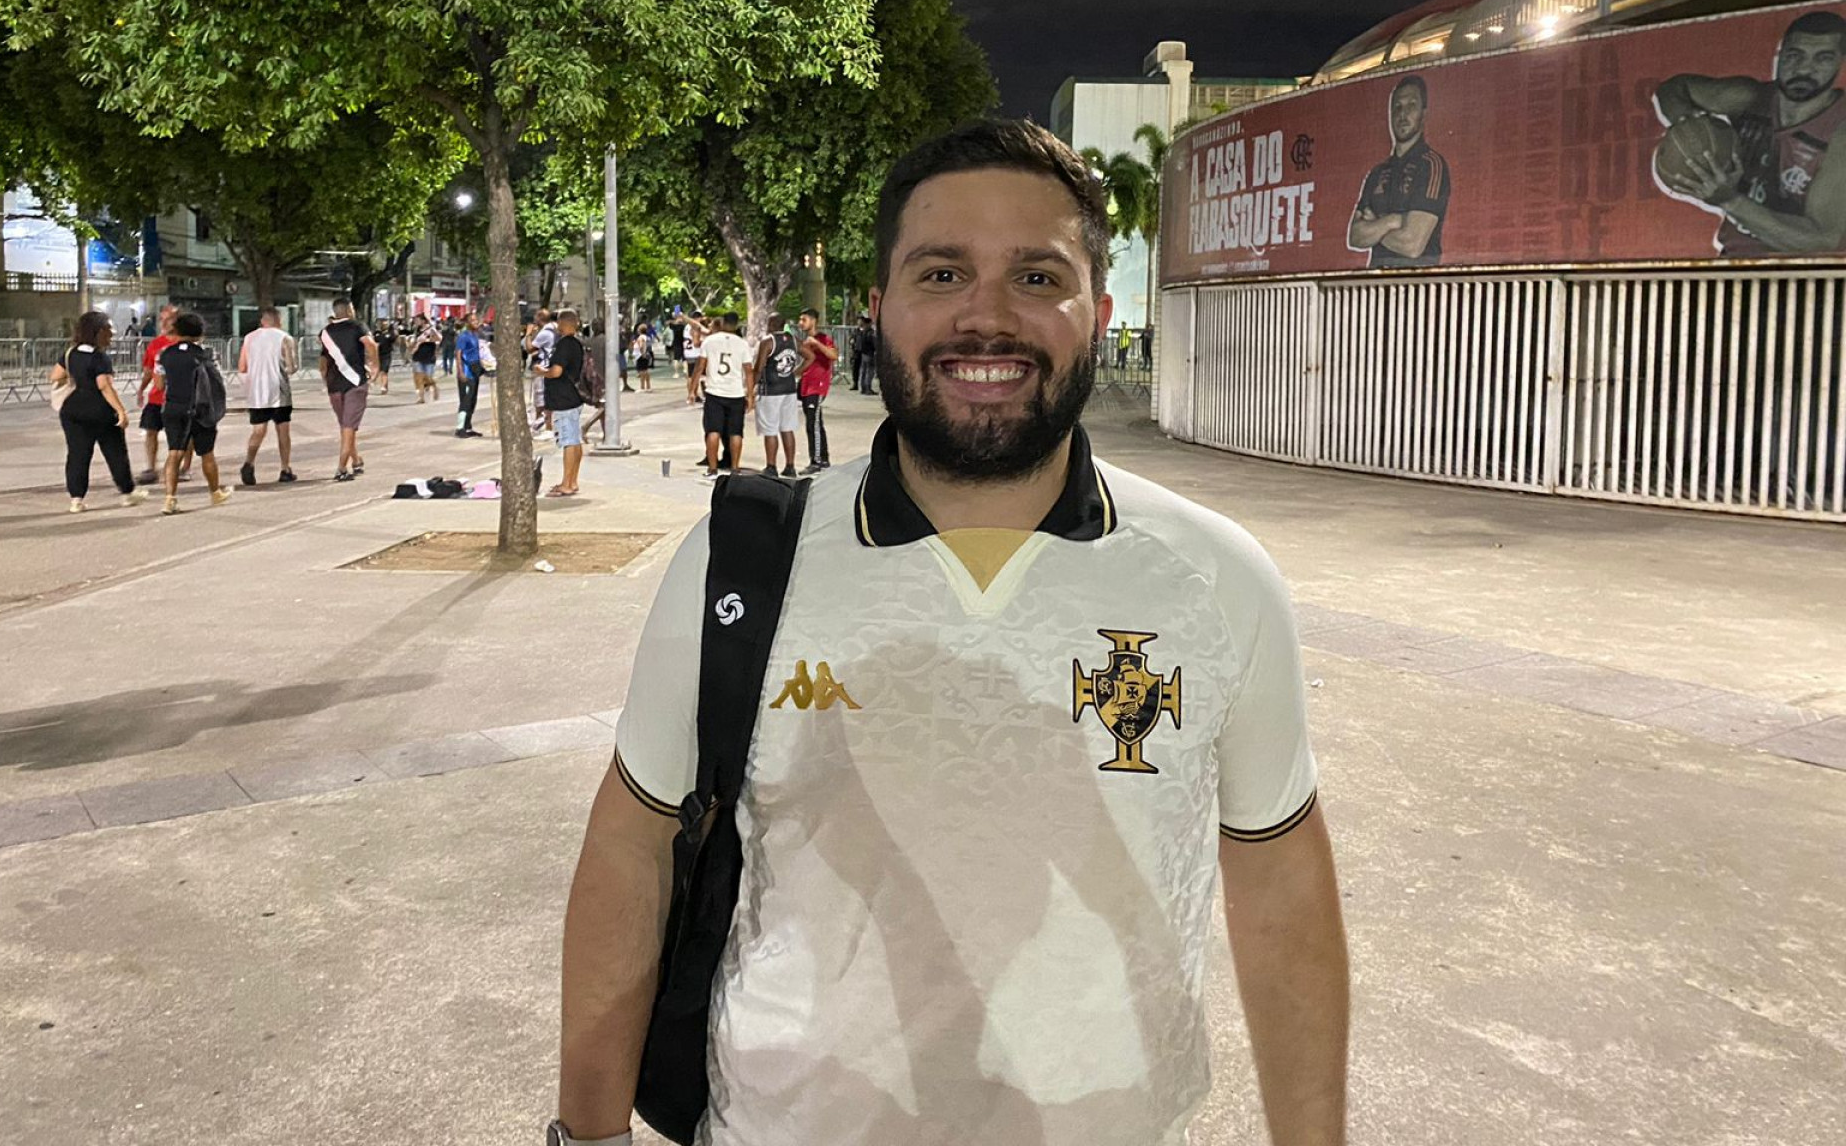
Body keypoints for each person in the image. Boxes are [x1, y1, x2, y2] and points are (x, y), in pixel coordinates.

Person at [555, 118, 1347, 1146]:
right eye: (941, 273)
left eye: (1035, 277)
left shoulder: (1217, 579)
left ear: (1097, 313)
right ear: (879, 310)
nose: (987, 317)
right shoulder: (744, 565)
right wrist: (588, 1131)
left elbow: (1281, 887)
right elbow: (633, 844)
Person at [1654, 9, 1846, 256]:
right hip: (1735, 265)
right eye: (1794, 55)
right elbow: (1675, 88)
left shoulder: (1839, 133)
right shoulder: (1749, 98)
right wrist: (1687, 124)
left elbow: (1822, 240)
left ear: (1840, 61)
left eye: (1823, 58)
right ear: (1780, 55)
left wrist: (1730, 200)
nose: (1804, 69)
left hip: (1803, 279)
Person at [1347, 73, 1450, 267]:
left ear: (1424, 113)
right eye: (1397, 107)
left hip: (1416, 289)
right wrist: (1393, 221)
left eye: (1411, 106)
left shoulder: (1431, 165)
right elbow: (1355, 237)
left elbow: (1412, 244)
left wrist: (1375, 225)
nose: (1403, 115)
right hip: (1375, 288)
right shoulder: (1377, 173)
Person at [51, 309, 146, 513]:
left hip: (73, 410)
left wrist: (77, 379)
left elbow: (55, 376)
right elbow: (104, 386)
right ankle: (127, 493)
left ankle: (76, 499)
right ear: (98, 331)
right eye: (109, 329)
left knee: (77, 454)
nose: (112, 334)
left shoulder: (70, 353)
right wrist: (121, 411)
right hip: (100, 411)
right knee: (115, 453)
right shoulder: (100, 358)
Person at [155, 311, 231, 515]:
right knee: (206, 453)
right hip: (200, 408)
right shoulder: (207, 353)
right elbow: (216, 380)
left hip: (173, 407)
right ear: (200, 332)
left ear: (177, 330)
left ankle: (170, 500)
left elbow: (159, 384)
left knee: (174, 453)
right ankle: (215, 493)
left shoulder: (164, 354)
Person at [237, 306, 299, 486]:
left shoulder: (249, 338)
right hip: (279, 391)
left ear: (262, 321)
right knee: (283, 431)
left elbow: (242, 366)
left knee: (258, 431)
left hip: (256, 392)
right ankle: (285, 468)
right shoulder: (285, 338)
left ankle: (249, 462)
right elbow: (292, 367)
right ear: (278, 320)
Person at [319, 296, 377, 482]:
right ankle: (341, 467)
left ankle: (357, 461)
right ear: (349, 310)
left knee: (345, 426)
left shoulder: (325, 333)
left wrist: (326, 380)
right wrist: (375, 367)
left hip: (334, 385)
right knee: (349, 427)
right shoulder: (357, 326)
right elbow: (371, 344)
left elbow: (322, 363)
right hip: (354, 383)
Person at [694, 310, 753, 478]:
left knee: (713, 430)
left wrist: (692, 390)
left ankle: (712, 469)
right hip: (735, 393)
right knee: (736, 432)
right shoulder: (742, 344)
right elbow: (749, 371)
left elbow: (700, 367)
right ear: (736, 324)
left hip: (714, 392)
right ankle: (735, 467)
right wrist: (750, 395)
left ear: (723, 322)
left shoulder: (710, 341)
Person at [133, 302, 185, 485]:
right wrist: (141, 389)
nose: (164, 323)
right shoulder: (156, 344)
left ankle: (181, 467)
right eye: (162, 319)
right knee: (151, 430)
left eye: (169, 319)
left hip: (179, 397)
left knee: (181, 435)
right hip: (156, 397)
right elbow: (149, 370)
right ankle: (151, 467)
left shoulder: (185, 343)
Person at [536, 307, 587, 497]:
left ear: (564, 324)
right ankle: (572, 481)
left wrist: (542, 371)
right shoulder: (577, 344)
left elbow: (556, 371)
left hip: (564, 399)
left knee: (569, 441)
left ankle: (567, 482)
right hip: (572, 398)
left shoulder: (565, 344)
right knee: (574, 441)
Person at [748, 311, 802, 478]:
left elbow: (759, 367)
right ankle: (790, 466)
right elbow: (811, 356)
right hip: (789, 389)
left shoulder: (768, 341)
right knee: (787, 428)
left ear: (771, 324)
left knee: (770, 429)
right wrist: (795, 373)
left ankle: (771, 466)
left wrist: (750, 388)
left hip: (770, 390)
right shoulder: (793, 339)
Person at [797, 306, 837, 473]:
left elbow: (833, 355)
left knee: (813, 424)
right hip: (807, 385)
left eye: (804, 320)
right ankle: (823, 457)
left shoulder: (823, 338)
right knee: (814, 422)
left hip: (817, 386)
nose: (801, 323)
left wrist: (817, 344)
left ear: (813, 321)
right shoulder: (805, 340)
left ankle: (817, 460)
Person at [454, 314, 485, 438]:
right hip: (466, 373)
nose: (476, 322)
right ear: (467, 323)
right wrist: (460, 371)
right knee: (465, 401)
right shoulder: (463, 336)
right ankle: (460, 427)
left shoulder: (475, 336)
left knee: (472, 400)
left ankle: (467, 426)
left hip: (474, 372)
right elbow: (458, 354)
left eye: (476, 319)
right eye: (472, 320)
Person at [410, 315, 441, 403]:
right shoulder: (416, 330)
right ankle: (421, 398)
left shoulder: (431, 329)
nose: (416, 322)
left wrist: (427, 340)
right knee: (419, 377)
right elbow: (415, 340)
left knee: (428, 378)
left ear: (423, 321)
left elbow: (439, 338)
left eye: (417, 320)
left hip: (429, 356)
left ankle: (434, 386)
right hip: (417, 356)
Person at [852, 310, 878, 393]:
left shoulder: (862, 332)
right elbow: (873, 343)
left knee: (863, 371)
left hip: (863, 353)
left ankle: (863, 388)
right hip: (869, 353)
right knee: (869, 371)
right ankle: (868, 388)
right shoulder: (870, 332)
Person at [373, 318, 397, 395]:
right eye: (382, 323)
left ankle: (383, 387)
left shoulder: (390, 333)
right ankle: (385, 386)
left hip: (386, 355)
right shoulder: (376, 333)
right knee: (379, 372)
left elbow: (395, 340)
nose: (383, 324)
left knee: (384, 371)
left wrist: (395, 332)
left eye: (385, 323)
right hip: (377, 355)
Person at [631, 322, 654, 392]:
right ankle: (648, 386)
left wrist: (642, 353)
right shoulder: (647, 337)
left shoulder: (641, 337)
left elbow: (641, 346)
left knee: (642, 371)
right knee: (645, 370)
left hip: (641, 356)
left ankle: (642, 387)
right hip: (645, 355)